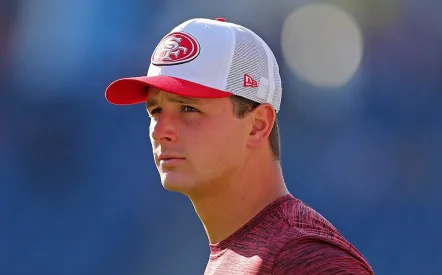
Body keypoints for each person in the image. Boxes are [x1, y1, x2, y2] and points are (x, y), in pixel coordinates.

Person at [105, 17, 374, 275]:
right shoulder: (246, 251)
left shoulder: (305, 260)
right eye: (155, 111)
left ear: (257, 125)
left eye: (188, 108)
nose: (161, 130)